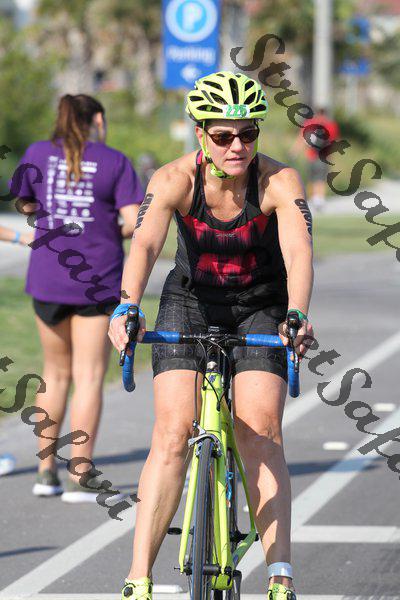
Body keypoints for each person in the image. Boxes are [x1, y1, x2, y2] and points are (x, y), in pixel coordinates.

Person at [109, 71, 314, 600]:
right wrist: (127, 305)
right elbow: (145, 245)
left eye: (248, 134)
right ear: (200, 134)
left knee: (260, 431)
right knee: (172, 432)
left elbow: (298, 253)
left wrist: (297, 314)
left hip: (260, 305)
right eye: (223, 135)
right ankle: (138, 577)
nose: (236, 146)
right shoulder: (174, 180)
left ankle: (280, 576)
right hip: (190, 301)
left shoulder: (278, 182)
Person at [11, 94, 144, 502]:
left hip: (48, 277)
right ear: (97, 120)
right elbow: (133, 220)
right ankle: (80, 475)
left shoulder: (37, 153)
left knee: (54, 373)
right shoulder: (114, 160)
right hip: (96, 281)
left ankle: (45, 471)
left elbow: (25, 202)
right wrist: (106, 228)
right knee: (88, 376)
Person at [291, 107, 339, 212]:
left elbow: (301, 138)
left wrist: (294, 152)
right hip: (324, 156)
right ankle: (320, 199)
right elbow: (333, 142)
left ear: (316, 113)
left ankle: (313, 198)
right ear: (326, 113)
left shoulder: (310, 123)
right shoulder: (331, 125)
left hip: (311, 156)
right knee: (321, 178)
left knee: (312, 177)